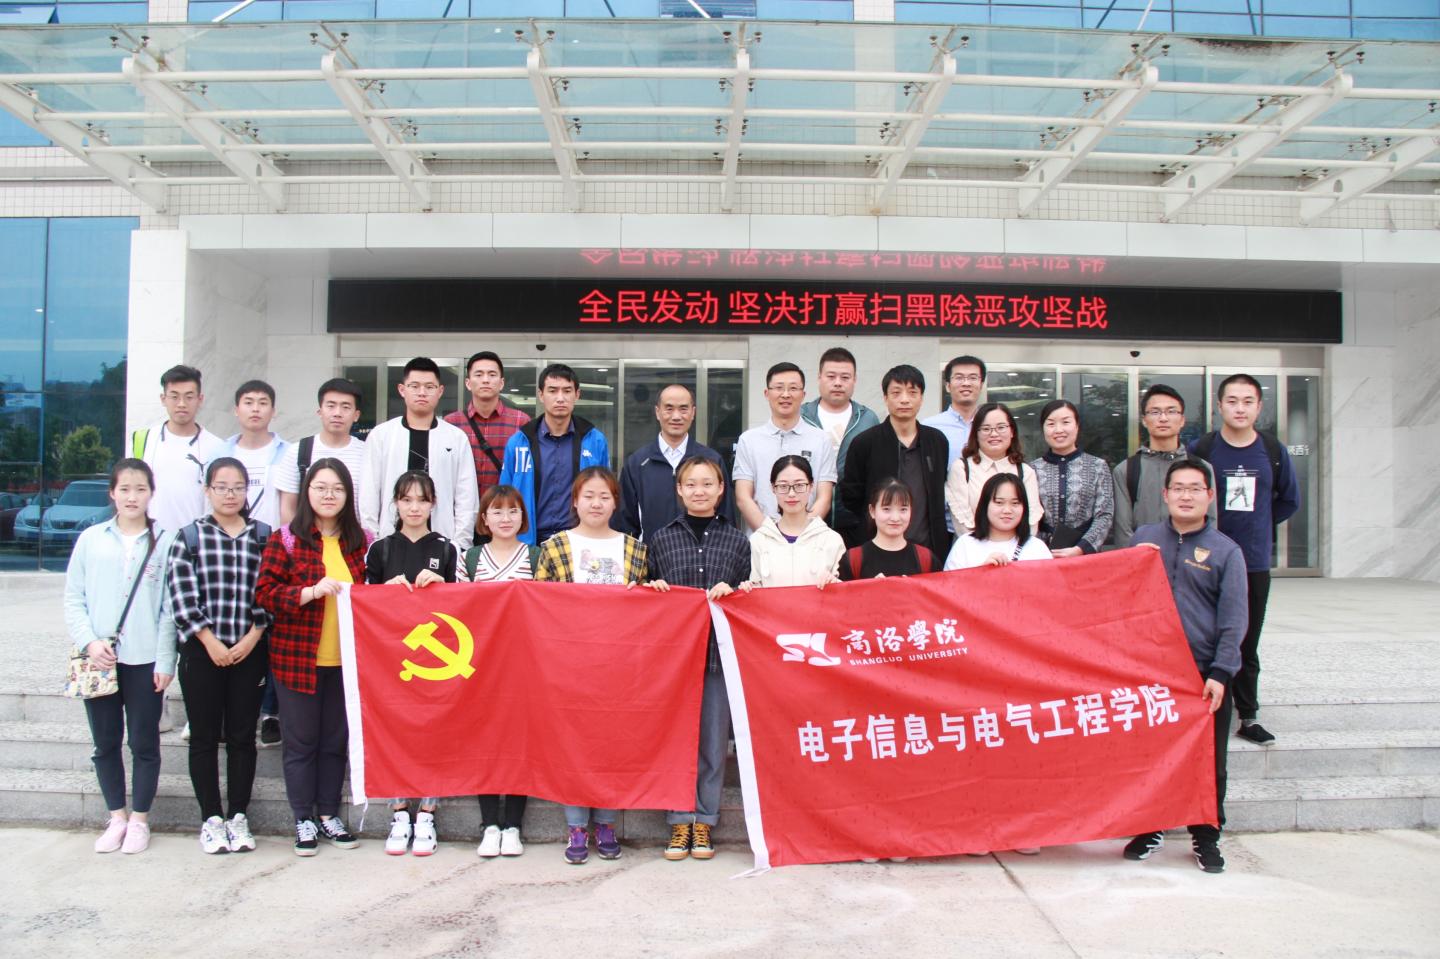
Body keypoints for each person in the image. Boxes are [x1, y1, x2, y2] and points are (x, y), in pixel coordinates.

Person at [1124, 460, 1247, 874]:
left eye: (1195, 489)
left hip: (1201, 674)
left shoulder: (1226, 551)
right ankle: (1150, 826)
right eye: (1178, 488)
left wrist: (1221, 672)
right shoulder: (1145, 538)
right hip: (1151, 670)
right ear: (1165, 495)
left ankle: (1207, 834)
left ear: (1210, 496)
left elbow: (1234, 620)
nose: (1186, 496)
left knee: (1209, 761)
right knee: (1152, 754)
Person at [255, 458, 370, 857]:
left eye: (337, 489)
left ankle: (328, 813)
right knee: (301, 743)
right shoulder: (286, 539)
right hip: (298, 660)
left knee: (335, 742)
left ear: (348, 495)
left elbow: (373, 594)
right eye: (321, 487)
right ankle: (303, 817)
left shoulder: (361, 542)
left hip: (346, 663)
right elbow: (266, 593)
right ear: (307, 492)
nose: (329, 495)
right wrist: (309, 592)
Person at [63, 458, 178, 855]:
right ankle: (116, 817)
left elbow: (169, 608)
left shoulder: (165, 540)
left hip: (145, 658)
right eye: (125, 489)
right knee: (106, 742)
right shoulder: (91, 539)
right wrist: (89, 642)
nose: (132, 497)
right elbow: (73, 598)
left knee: (145, 743)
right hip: (99, 659)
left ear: (151, 493)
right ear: (112, 493)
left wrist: (165, 661)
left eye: (140, 489)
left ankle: (140, 820)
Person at [533, 467, 648, 865]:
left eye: (604, 496)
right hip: (570, 667)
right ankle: (577, 826)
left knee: (612, 746)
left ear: (616, 503)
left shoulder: (634, 549)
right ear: (575, 501)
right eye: (589, 496)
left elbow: (649, 608)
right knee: (573, 747)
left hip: (619, 666)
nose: (596, 503)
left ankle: (606, 823)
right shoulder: (555, 547)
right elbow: (539, 605)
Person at [643, 456, 751, 863]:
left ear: (721, 489)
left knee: (712, 745)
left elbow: (750, 598)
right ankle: (678, 821)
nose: (699, 491)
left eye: (708, 483)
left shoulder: (738, 542)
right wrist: (654, 588)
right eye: (691, 484)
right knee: (674, 745)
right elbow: (645, 597)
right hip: (673, 664)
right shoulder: (660, 540)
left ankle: (704, 820)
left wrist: (735, 592)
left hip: (718, 659)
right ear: (679, 489)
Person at [166, 457, 273, 856]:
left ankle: (238, 815)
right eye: (222, 487)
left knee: (243, 737)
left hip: (250, 650)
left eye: (238, 487)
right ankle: (211, 817)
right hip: (201, 653)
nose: (230, 494)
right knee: (204, 736)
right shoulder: (189, 537)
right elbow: (181, 597)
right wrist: (210, 641)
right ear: (207, 490)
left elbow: (270, 591)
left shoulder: (263, 536)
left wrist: (253, 636)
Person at [1188, 373, 1300, 747]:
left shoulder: (1272, 450)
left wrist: (1260, 525)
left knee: (1247, 640)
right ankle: (1201, 707)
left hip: (1253, 562)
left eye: (1247, 401)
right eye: (1232, 401)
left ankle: (1247, 715)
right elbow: (1189, 493)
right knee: (1203, 635)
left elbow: (1289, 500)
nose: (1240, 408)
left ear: (1259, 407)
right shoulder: (1203, 449)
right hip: (1206, 558)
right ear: (1219, 405)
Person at [366, 470, 459, 857]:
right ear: (396, 503)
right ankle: (399, 811)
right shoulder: (381, 549)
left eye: (422, 500)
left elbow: (463, 607)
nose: (415, 507)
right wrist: (382, 594)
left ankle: (428, 813)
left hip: (435, 662)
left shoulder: (447, 549)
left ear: (433, 503)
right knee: (395, 732)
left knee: (433, 732)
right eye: (407, 500)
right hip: (391, 661)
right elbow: (363, 605)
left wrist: (440, 587)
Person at [461, 484, 541, 858]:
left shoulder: (537, 557)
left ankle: (514, 826)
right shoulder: (469, 559)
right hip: (481, 667)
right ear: (484, 518)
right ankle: (490, 824)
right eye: (497, 511)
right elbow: (458, 610)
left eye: (512, 511)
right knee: (485, 743)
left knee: (521, 743)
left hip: (525, 667)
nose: (505, 518)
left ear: (523, 517)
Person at [360, 357, 477, 549]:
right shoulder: (381, 435)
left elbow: (467, 497)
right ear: (402, 389)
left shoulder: (456, 438)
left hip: (442, 543)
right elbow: (369, 494)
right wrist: (373, 543)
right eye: (414, 386)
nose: (422, 392)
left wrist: (459, 544)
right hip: (390, 543)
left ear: (440, 391)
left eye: (429, 387)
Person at [839, 364, 951, 557]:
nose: (904, 399)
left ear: (922, 398)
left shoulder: (937, 441)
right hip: (878, 549)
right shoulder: (864, 443)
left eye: (912, 393)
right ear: (885, 398)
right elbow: (851, 497)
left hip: (928, 549)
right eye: (896, 393)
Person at [499, 363, 610, 546]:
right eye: (552, 391)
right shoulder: (519, 442)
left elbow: (607, 495)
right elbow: (504, 496)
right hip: (529, 542)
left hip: (580, 542)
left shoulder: (595, 441)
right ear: (541, 395)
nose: (560, 398)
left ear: (577, 395)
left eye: (567, 391)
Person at [732, 362, 838, 534]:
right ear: (767, 393)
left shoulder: (821, 440)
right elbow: (743, 498)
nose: (786, 394)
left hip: (808, 540)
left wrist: (800, 535)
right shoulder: (748, 440)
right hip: (761, 540)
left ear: (803, 395)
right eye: (779, 388)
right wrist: (772, 535)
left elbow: (824, 498)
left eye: (793, 388)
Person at [617, 383, 730, 541]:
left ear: (693, 412)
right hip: (652, 554)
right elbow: (624, 523)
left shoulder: (712, 461)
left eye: (683, 409)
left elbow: (726, 517)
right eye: (669, 409)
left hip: (703, 555)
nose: (676, 416)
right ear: (657, 412)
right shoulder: (637, 463)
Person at [1111, 384, 1214, 547]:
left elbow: (1210, 525)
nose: (1163, 418)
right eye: (1155, 412)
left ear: (1182, 420)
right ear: (1144, 420)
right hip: (1143, 558)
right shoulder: (1126, 470)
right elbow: (1123, 530)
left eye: (1171, 411)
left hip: (1190, 559)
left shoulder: (1201, 468)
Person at [131, 364, 225, 536]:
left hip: (197, 542)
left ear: (200, 399)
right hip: (150, 540)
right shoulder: (144, 440)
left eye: (189, 397)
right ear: (163, 399)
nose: (181, 404)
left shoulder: (217, 447)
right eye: (174, 397)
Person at [800, 347, 880, 545]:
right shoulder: (801, 416)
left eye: (845, 377)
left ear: (855, 380)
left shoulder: (867, 419)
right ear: (819, 377)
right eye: (831, 376)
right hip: (806, 519)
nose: (838, 383)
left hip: (856, 522)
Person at [444, 351, 530, 528]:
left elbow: (526, 476)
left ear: (501, 383)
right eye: (479, 374)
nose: (485, 380)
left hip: (505, 519)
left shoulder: (521, 422)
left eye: (492, 374)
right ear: (468, 383)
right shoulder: (451, 424)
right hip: (461, 519)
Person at [276, 377, 366, 527]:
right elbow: (288, 508)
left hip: (354, 539)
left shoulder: (367, 453)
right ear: (320, 412)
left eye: (345, 407)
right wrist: (293, 539)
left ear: (356, 415)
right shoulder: (298, 451)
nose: (337, 413)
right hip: (307, 539)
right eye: (331, 406)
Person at [944, 403, 1043, 537]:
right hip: (972, 547)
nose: (994, 434)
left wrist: (1013, 547)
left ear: (1012, 431)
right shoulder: (961, 468)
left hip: (1017, 548)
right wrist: (988, 547)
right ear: (976, 433)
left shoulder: (1025, 471)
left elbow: (1031, 520)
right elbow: (962, 525)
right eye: (986, 429)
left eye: (1001, 427)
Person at [1030, 399, 1114, 556]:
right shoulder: (1032, 469)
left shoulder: (1097, 466)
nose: (1058, 429)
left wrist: (1080, 548)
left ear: (1077, 426)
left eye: (1066, 422)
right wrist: (1038, 547)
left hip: (1085, 555)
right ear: (1043, 428)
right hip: (1043, 553)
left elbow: (1104, 515)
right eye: (1051, 424)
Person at [748, 456, 845, 589]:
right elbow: (755, 591)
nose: (791, 494)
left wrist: (835, 583)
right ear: (773, 488)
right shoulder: (758, 540)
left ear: (811, 486)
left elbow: (846, 593)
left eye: (799, 485)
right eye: (783, 486)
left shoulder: (831, 540)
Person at [944, 473, 1054, 570]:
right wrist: (980, 572)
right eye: (999, 502)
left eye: (1015, 503)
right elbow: (950, 585)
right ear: (985, 505)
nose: (1007, 510)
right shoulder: (965, 545)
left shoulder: (1037, 548)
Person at [220, 380, 289, 530]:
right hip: (227, 540)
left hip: (274, 541)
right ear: (236, 410)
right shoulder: (220, 453)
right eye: (248, 403)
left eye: (263, 403)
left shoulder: (289, 453)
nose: (255, 409)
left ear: (273, 411)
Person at [840, 480, 938, 581]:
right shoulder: (854, 560)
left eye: (903, 509)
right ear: (872, 511)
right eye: (886, 509)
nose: (895, 518)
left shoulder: (926, 559)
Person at [923, 354, 986, 471]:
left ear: (981, 385)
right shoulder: (929, 426)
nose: (966, 383)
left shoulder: (992, 426)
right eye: (959, 377)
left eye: (973, 378)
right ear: (948, 386)